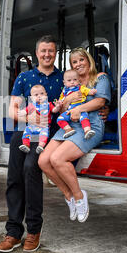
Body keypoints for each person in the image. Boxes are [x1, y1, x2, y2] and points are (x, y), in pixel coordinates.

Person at [0, 35, 67, 253]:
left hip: (50, 134)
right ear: (37, 53)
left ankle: (34, 230)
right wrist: (29, 118)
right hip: (25, 132)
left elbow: (76, 99)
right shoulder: (24, 78)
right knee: (14, 178)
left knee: (31, 170)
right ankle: (13, 232)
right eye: (43, 51)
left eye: (51, 51)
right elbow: (12, 111)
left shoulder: (64, 78)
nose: (47, 55)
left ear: (55, 54)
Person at [38, 47, 111, 223]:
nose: (78, 64)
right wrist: (68, 101)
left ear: (88, 60)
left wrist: (79, 108)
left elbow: (100, 101)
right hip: (69, 126)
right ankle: (69, 196)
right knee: (43, 161)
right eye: (74, 62)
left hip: (90, 125)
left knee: (58, 159)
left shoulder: (100, 78)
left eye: (81, 60)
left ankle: (79, 196)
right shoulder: (70, 83)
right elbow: (62, 108)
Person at [18, 84, 61, 154]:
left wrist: (57, 107)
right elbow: (25, 111)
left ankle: (40, 146)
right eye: (36, 95)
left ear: (46, 95)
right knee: (26, 132)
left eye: (42, 93)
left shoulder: (48, 104)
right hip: (32, 126)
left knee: (44, 134)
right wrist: (22, 112)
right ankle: (26, 145)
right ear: (32, 98)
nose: (39, 96)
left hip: (43, 126)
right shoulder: (31, 105)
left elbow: (54, 110)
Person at [56, 69, 97, 140]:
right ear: (64, 82)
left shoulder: (80, 88)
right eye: (69, 80)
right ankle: (68, 129)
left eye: (75, 80)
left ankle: (87, 130)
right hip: (69, 111)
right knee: (60, 119)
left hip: (80, 108)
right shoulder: (64, 91)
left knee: (84, 118)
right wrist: (59, 103)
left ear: (78, 81)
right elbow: (61, 99)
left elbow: (87, 91)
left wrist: (91, 91)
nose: (72, 82)